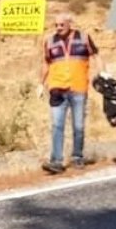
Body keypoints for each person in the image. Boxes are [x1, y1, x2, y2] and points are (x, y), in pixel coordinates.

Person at [38, 13, 105, 174]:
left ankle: (77, 157)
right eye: (56, 25)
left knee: (78, 126)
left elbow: (96, 55)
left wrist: (103, 73)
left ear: (70, 24)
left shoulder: (84, 37)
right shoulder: (49, 41)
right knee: (57, 125)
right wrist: (40, 83)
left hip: (78, 88)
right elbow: (46, 63)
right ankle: (56, 161)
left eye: (62, 24)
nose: (58, 28)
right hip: (57, 89)